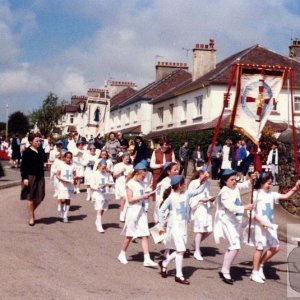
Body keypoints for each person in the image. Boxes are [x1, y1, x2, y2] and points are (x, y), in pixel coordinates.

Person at [245, 172, 300, 283]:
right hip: (259, 225)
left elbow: (286, 196)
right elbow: (249, 211)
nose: (270, 185)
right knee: (259, 248)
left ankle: (260, 265)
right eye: (267, 183)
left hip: (270, 225)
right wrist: (259, 220)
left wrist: (296, 187)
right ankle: (254, 273)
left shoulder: (272, 194)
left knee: (276, 247)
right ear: (261, 182)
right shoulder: (256, 194)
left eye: (271, 183)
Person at [158, 174, 209, 285]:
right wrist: (162, 225)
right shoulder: (171, 197)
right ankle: (179, 275)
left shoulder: (187, 194)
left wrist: (205, 179)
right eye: (183, 184)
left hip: (183, 226)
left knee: (180, 250)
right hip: (174, 226)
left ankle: (164, 263)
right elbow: (161, 211)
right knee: (180, 250)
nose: (185, 185)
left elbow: (199, 190)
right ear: (179, 186)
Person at [214, 169, 255, 284]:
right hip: (226, 222)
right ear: (225, 181)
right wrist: (245, 207)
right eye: (231, 180)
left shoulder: (235, 187)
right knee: (235, 246)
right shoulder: (224, 192)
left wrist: (251, 179)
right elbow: (231, 207)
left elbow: (245, 186)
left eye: (235, 179)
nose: (234, 181)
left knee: (233, 246)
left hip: (235, 221)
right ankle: (225, 271)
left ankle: (224, 269)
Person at [117, 162, 157, 267]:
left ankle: (147, 258)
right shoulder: (130, 184)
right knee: (129, 235)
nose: (144, 178)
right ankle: (122, 254)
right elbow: (130, 200)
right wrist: (144, 196)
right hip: (133, 211)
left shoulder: (141, 183)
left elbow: (141, 195)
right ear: (137, 173)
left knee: (145, 235)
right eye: (143, 176)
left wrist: (148, 194)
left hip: (141, 211)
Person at [20, 133, 48, 226]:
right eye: (36, 141)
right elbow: (23, 167)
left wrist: (44, 161)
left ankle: (31, 211)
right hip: (30, 177)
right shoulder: (27, 152)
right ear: (31, 142)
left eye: (39, 141)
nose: (39, 142)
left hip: (40, 176)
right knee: (30, 197)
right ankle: (31, 217)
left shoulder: (41, 150)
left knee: (40, 198)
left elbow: (44, 160)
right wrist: (25, 178)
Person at [188, 169, 214, 261]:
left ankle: (196, 242)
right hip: (198, 208)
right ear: (200, 174)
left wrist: (210, 199)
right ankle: (197, 251)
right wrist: (199, 200)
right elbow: (190, 196)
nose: (207, 176)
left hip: (206, 207)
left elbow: (206, 193)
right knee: (200, 229)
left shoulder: (208, 183)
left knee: (209, 230)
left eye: (208, 175)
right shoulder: (194, 183)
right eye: (205, 175)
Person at [90, 160, 114, 233]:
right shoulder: (95, 174)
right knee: (99, 209)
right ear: (99, 166)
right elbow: (91, 185)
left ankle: (97, 221)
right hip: (98, 194)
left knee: (103, 209)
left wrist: (109, 184)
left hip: (105, 193)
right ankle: (99, 226)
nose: (104, 169)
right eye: (102, 168)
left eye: (105, 168)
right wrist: (97, 187)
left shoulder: (108, 174)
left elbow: (111, 182)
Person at [56, 151, 76, 223]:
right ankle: (61, 213)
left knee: (68, 199)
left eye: (70, 158)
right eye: (67, 158)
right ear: (64, 158)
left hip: (69, 184)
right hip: (62, 184)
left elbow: (74, 175)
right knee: (62, 200)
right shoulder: (61, 165)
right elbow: (57, 174)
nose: (69, 159)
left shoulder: (73, 166)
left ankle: (65, 215)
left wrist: (75, 178)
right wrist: (62, 179)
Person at [113, 152, 134, 222]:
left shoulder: (131, 166)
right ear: (122, 158)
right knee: (124, 198)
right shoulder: (118, 165)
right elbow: (114, 175)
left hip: (128, 183)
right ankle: (122, 214)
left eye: (128, 159)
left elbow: (133, 175)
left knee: (128, 198)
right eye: (126, 159)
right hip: (120, 182)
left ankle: (126, 213)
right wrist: (121, 171)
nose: (127, 160)